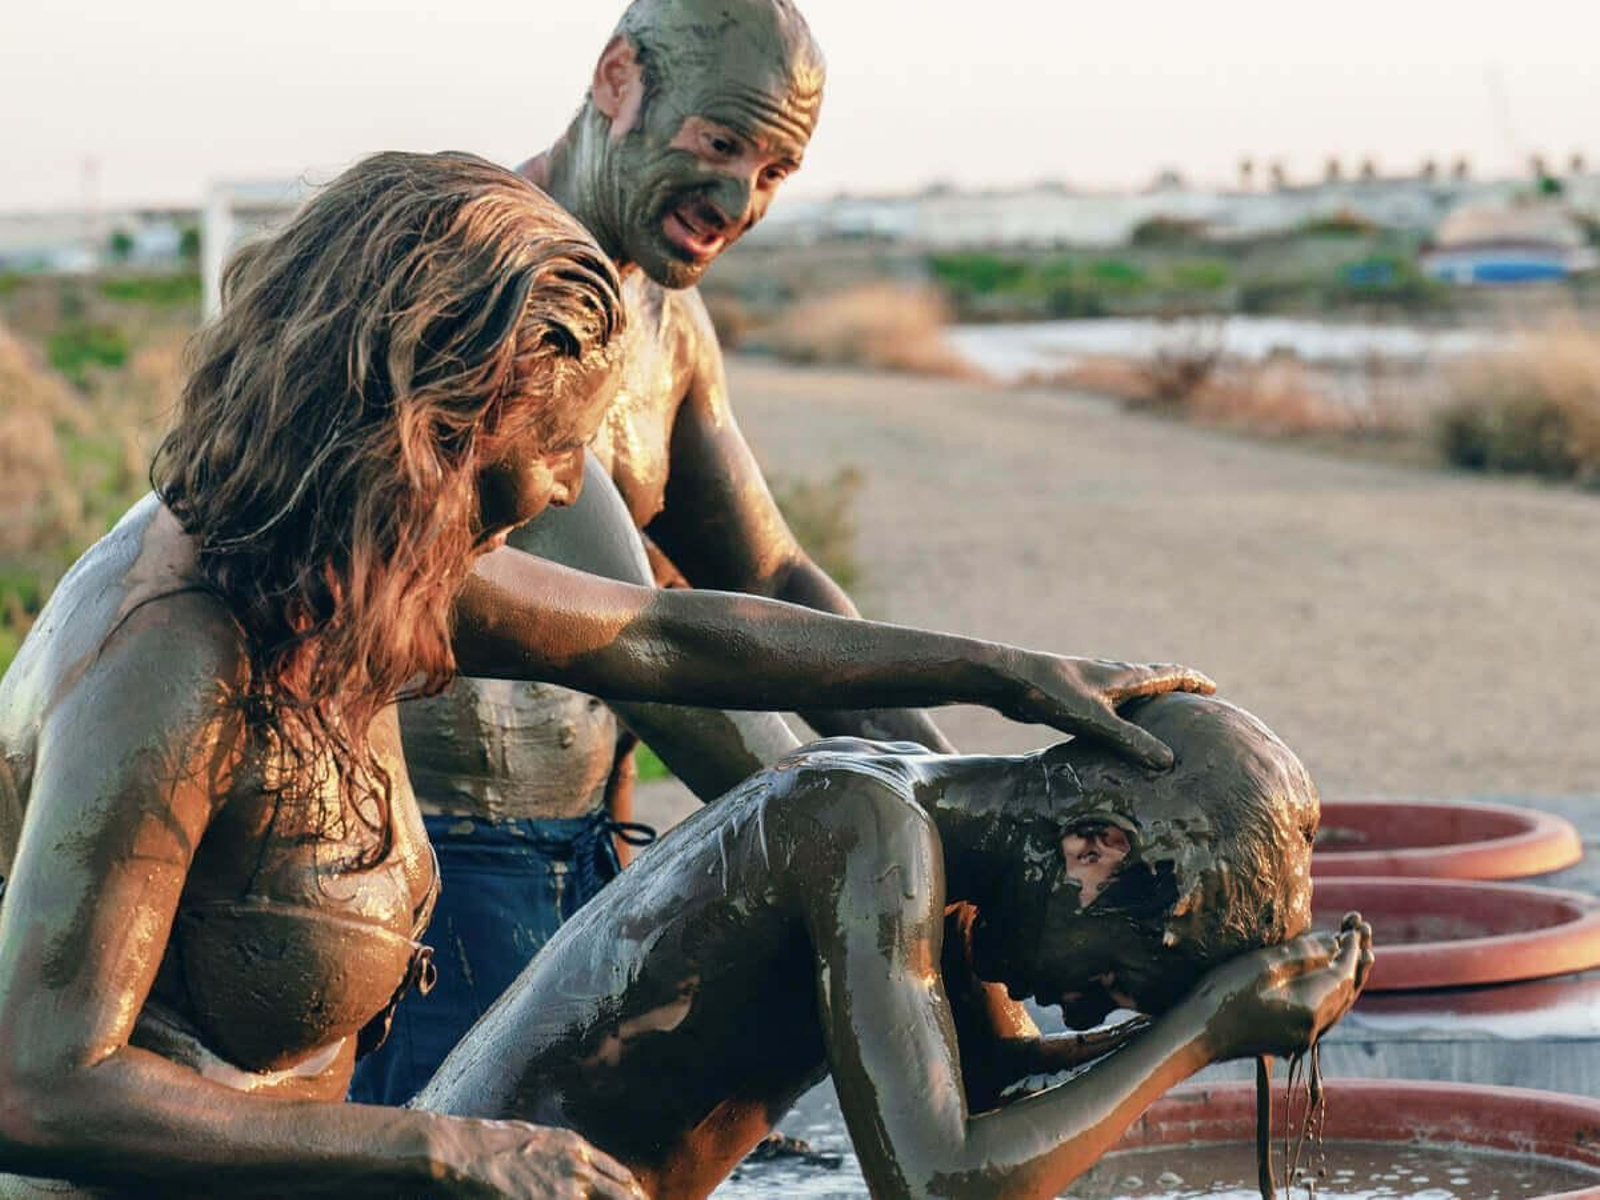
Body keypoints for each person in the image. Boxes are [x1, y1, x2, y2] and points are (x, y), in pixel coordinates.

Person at [0, 149, 1210, 1196]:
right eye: (555, 447)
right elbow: (40, 1091)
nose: (568, 490)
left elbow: (660, 635)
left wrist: (1002, 672)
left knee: (823, 809)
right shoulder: (170, 657)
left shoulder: (340, 559)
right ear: (429, 434)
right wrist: (439, 1151)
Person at [359, 0, 944, 1103]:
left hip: (586, 856)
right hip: (419, 871)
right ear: (617, 79)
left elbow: (769, 576)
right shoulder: (490, 278)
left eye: (774, 171)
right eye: (721, 144)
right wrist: (905, 845)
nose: (739, 200)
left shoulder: (661, 312)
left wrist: (956, 772)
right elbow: (644, 643)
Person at [418, 693, 1373, 1199]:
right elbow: (936, 1188)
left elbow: (996, 1089)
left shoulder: (950, 844)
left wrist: (1217, 1019)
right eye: (1116, 976)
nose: (1082, 1004)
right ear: (1095, 849)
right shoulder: (867, 828)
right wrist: (1202, 1031)